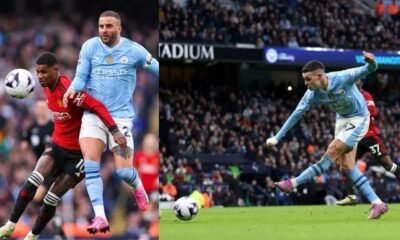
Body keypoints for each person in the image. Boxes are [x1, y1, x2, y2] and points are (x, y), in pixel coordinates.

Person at [0, 52, 126, 240]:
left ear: (56, 70)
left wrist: (114, 130)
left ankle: (33, 236)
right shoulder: (45, 88)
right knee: (33, 179)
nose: (40, 76)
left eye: (44, 72)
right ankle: (10, 225)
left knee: (50, 199)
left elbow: (97, 106)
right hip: (58, 145)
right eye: (37, 72)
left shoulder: (70, 91)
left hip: (79, 155)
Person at [62, 10, 159, 234]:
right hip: (93, 116)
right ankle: (100, 217)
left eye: (108, 26)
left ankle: (138, 187)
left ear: (119, 28)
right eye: (101, 26)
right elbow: (80, 76)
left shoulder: (134, 50)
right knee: (90, 164)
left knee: (124, 172)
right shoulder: (89, 47)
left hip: (121, 117)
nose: (104, 30)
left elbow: (156, 67)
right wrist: (71, 91)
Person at [266, 51, 388, 220]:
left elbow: (371, 68)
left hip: (359, 117)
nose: (306, 83)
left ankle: (293, 183)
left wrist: (371, 61)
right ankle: (378, 203)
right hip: (342, 120)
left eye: (308, 79)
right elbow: (296, 114)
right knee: (346, 167)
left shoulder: (344, 77)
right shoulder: (312, 93)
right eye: (304, 79)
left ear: (320, 76)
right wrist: (278, 137)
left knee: (332, 149)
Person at [336, 79, 400, 205]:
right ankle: (351, 196)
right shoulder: (347, 95)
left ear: (362, 82)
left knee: (388, 165)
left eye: (357, 80)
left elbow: (372, 112)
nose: (355, 82)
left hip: (369, 136)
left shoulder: (366, 95)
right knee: (345, 165)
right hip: (355, 137)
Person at [20, 101, 67, 238]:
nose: (40, 110)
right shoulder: (31, 128)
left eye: (43, 108)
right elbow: (24, 145)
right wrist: (25, 150)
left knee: (37, 196)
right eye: (38, 108)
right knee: (44, 201)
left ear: (48, 110)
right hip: (39, 169)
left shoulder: (53, 127)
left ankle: (51, 223)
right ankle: (58, 227)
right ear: (35, 110)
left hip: (53, 168)